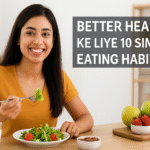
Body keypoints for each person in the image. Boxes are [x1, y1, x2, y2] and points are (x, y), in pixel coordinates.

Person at [0, 4, 94, 138]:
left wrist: (76, 126)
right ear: (18, 38)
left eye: (45, 34)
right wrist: (1, 115)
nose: (38, 41)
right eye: (30, 33)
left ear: (53, 40)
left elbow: (87, 118)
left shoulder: (59, 77)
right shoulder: (1, 74)